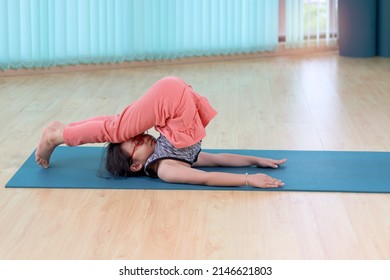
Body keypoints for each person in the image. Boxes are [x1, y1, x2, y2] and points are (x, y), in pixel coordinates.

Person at [36, 76, 286, 188]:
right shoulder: (167, 168)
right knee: (116, 126)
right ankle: (58, 133)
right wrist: (250, 172)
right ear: (135, 166)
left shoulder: (168, 152)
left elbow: (215, 165)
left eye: (134, 138)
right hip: (175, 98)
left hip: (173, 98)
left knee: (116, 127)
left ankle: (59, 133)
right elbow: (212, 170)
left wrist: (253, 166)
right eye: (134, 143)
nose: (140, 135)